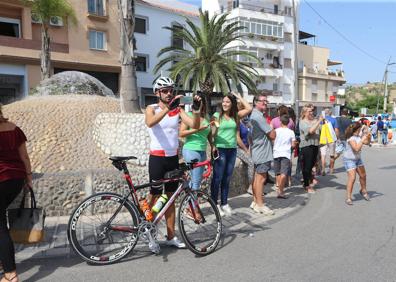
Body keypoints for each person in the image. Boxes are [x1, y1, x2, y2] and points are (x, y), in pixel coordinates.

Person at [145, 77, 201, 249]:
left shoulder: (177, 110)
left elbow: (194, 125)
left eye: (171, 90)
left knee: (170, 199)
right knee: (154, 198)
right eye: (165, 91)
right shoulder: (152, 108)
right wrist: (168, 109)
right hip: (157, 159)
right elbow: (150, 122)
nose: (169, 93)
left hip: (172, 159)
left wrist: (197, 111)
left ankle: (171, 236)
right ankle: (150, 235)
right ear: (157, 93)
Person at [0, 105, 32, 282]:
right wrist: (29, 179)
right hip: (16, 180)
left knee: (0, 227)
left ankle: (10, 274)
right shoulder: (14, 128)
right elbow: (25, 157)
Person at [210, 92, 252, 216]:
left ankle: (224, 203)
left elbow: (249, 108)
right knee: (217, 178)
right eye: (223, 101)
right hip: (220, 149)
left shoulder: (236, 117)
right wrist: (213, 146)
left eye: (228, 101)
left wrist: (238, 97)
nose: (225, 103)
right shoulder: (217, 116)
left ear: (232, 104)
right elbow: (211, 134)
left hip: (232, 150)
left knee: (227, 178)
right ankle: (214, 203)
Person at [249, 94, 276, 215]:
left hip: (257, 150)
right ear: (255, 102)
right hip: (262, 152)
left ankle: (255, 202)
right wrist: (272, 127)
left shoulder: (253, 115)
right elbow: (272, 135)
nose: (265, 103)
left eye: (266, 101)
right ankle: (260, 205)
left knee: (257, 179)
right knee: (261, 179)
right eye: (262, 101)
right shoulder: (259, 117)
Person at [180, 95, 211, 191]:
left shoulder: (206, 117)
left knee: (196, 180)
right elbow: (181, 133)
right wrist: (197, 129)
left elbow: (208, 135)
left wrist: (213, 146)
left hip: (202, 151)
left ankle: (188, 202)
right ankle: (193, 205)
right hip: (191, 150)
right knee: (196, 182)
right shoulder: (188, 116)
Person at [343, 122, 370, 205]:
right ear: (357, 129)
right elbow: (356, 149)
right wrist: (362, 140)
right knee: (352, 178)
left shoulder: (358, 136)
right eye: (361, 129)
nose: (361, 130)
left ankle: (363, 190)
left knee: (363, 175)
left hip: (358, 159)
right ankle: (348, 197)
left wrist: (368, 136)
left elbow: (367, 143)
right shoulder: (351, 138)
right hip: (349, 160)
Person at [299, 105, 323, 193]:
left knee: (312, 165)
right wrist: (319, 121)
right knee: (307, 167)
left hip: (315, 145)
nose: (311, 113)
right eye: (309, 111)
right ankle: (307, 185)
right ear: (304, 113)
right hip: (306, 146)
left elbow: (320, 130)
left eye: (312, 111)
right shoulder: (302, 122)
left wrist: (323, 123)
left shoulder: (315, 121)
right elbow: (310, 131)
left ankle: (307, 180)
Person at [273, 114, 296, 198]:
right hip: (286, 153)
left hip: (276, 153)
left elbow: (272, 140)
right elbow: (293, 145)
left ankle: (279, 189)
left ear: (280, 121)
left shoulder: (276, 130)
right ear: (288, 122)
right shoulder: (291, 132)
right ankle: (281, 191)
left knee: (278, 173)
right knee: (284, 173)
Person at [320, 108, 339, 175]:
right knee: (331, 155)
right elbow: (336, 130)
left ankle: (323, 170)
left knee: (323, 155)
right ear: (330, 113)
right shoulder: (334, 120)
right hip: (331, 139)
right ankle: (331, 170)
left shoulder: (321, 120)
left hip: (323, 139)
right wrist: (336, 138)